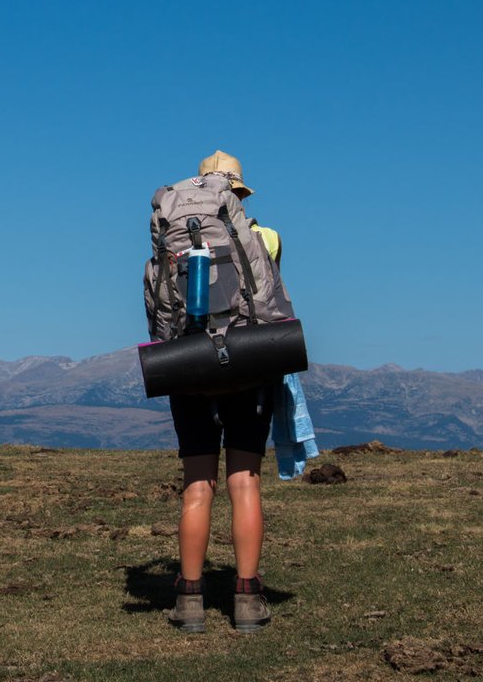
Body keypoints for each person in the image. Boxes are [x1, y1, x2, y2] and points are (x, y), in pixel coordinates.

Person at [166, 150, 276, 634]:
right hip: (247, 365)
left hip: (188, 365)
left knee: (197, 483)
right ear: (238, 193)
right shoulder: (265, 237)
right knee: (244, 480)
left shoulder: (170, 240)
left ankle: (190, 600)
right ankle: (247, 599)